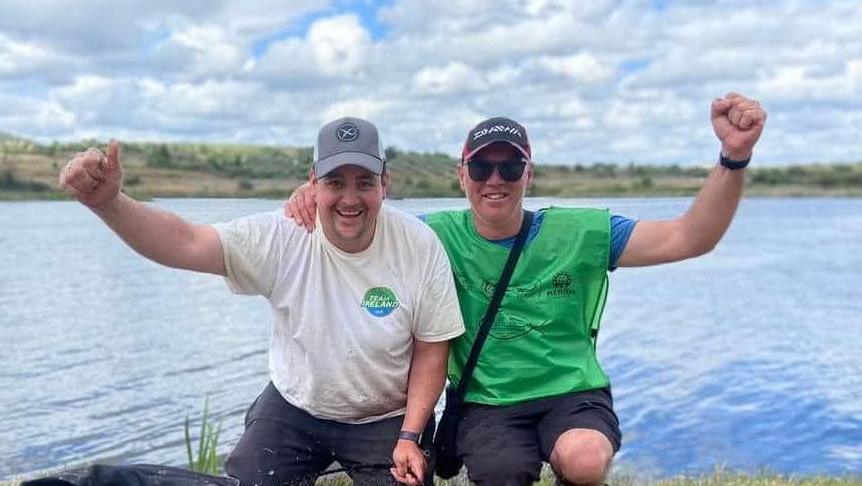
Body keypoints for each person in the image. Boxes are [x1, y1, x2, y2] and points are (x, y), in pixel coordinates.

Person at [285, 93, 767, 485]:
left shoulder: (583, 232)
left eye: (510, 169)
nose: (495, 180)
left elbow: (690, 237)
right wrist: (318, 196)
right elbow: (360, 226)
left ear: (528, 174)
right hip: (488, 401)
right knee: (500, 471)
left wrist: (734, 156)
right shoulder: (431, 236)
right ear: (462, 177)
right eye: (481, 169)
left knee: (584, 459)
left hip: (572, 392)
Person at [58, 116, 465, 486]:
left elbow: (432, 348)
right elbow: (185, 241)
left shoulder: (418, 244)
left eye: (364, 182)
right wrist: (109, 204)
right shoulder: (284, 234)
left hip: (387, 416)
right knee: (249, 479)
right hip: (297, 406)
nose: (349, 199)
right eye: (335, 182)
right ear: (314, 182)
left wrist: (411, 435)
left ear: (384, 185)